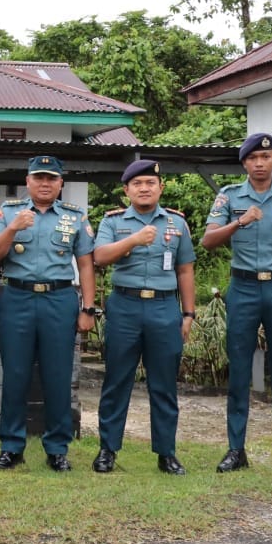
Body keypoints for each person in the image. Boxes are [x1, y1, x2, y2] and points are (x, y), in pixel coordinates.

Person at [203, 132, 272, 477]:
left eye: (265, 157)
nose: (259, 163)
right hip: (243, 289)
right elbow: (208, 240)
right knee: (239, 370)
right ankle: (236, 450)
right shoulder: (229, 197)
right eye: (252, 158)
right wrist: (240, 221)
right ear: (244, 163)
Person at [0, 154, 96, 472]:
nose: (45, 183)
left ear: (61, 184)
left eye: (51, 178)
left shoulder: (75, 217)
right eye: (39, 177)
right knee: (16, 375)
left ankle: (57, 448)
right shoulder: (8, 213)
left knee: (58, 376)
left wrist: (88, 307)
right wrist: (13, 228)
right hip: (17, 297)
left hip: (59, 298)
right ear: (27, 182)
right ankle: (11, 446)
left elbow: (87, 264)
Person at [91, 159, 196, 476]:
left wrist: (189, 313)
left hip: (165, 308)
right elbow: (99, 257)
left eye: (150, 182)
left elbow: (185, 269)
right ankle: (108, 449)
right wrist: (133, 240)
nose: (145, 188)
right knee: (116, 381)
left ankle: (166, 453)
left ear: (160, 188)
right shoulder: (113, 222)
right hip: (125, 306)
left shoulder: (177, 223)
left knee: (163, 384)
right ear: (127, 190)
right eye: (137, 184)